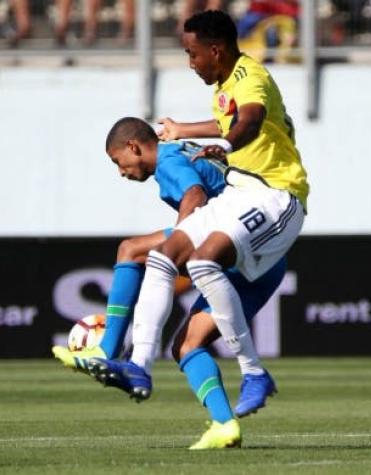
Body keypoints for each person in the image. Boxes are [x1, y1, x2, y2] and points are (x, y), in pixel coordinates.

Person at [88, 9, 309, 447]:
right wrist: (189, 130)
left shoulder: (250, 77)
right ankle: (139, 365)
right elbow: (233, 120)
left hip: (277, 196)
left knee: (200, 256)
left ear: (216, 49)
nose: (190, 63)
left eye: (192, 55)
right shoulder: (225, 87)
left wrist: (223, 144)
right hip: (239, 193)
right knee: (162, 256)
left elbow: (246, 122)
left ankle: (253, 372)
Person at [52, 117, 288, 449]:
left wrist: (179, 242)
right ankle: (225, 426)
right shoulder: (179, 150)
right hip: (266, 263)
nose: (121, 172)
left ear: (133, 147)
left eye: (118, 162)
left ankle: (107, 351)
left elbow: (195, 193)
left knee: (130, 250)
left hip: (236, 245)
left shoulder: (168, 160)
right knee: (185, 346)